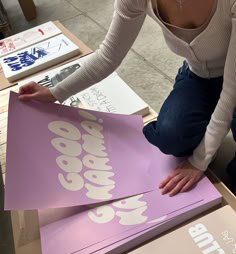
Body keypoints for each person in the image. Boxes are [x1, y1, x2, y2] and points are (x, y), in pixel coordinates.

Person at [18, 0, 236, 196]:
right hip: (197, 75)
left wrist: (199, 161)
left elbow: (230, 90)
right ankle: (194, 132)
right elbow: (108, 56)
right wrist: (56, 92)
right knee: (171, 136)